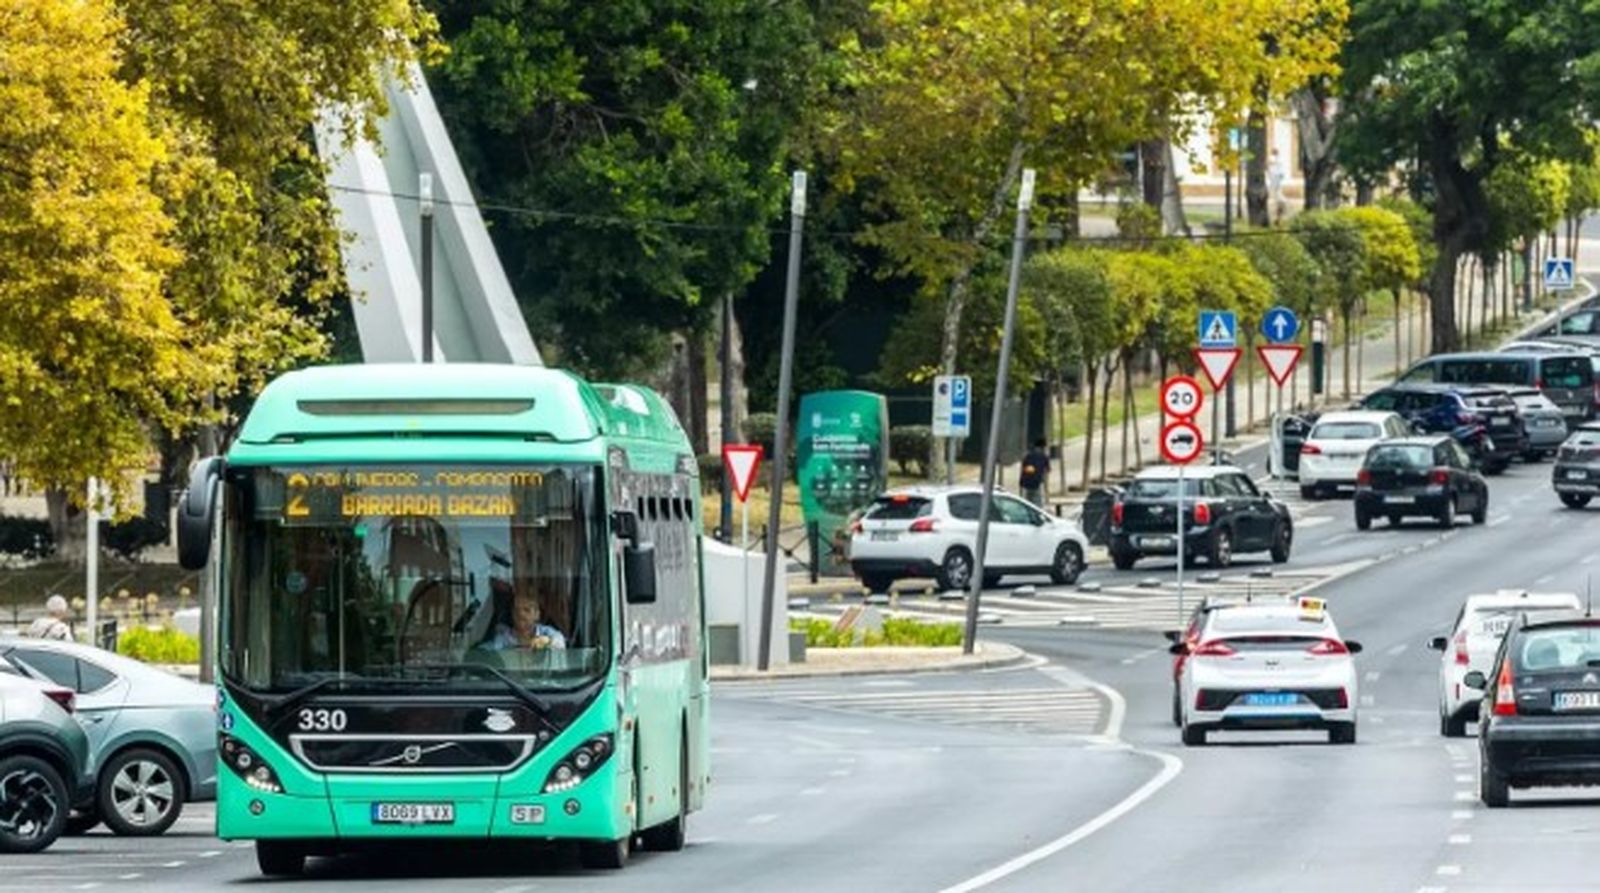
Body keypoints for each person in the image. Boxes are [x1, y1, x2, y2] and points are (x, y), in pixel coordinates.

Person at [483, 587, 567, 651]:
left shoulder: (546, 632)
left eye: (527, 610)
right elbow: (486, 651)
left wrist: (547, 642)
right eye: (516, 610)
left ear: (537, 614)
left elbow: (560, 642)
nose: (520, 614)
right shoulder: (504, 638)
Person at [1019, 439, 1051, 507]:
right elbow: (1047, 470)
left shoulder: (1028, 455)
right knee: (1038, 502)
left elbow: (1024, 468)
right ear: (1043, 447)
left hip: (1026, 483)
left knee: (1027, 502)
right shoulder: (1044, 456)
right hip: (1037, 483)